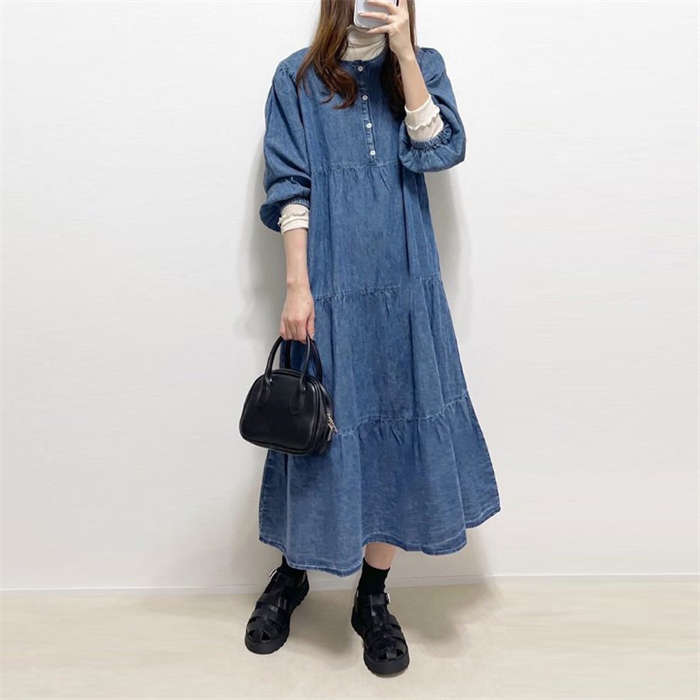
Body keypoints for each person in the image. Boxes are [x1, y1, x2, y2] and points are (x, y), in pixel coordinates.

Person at [244, 0, 501, 676]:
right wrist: (297, 287)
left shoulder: (423, 68)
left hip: (408, 288)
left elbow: (440, 149)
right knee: (317, 433)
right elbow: (290, 185)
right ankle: (292, 575)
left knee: (400, 428)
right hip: (329, 288)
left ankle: (373, 597)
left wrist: (406, 54)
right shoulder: (297, 78)